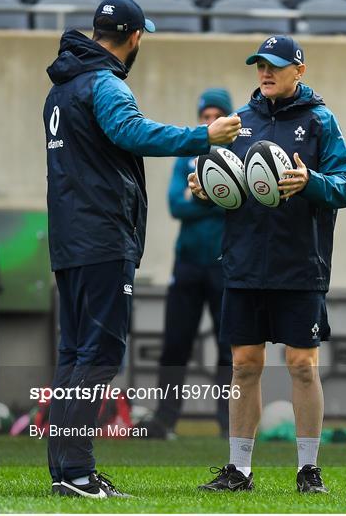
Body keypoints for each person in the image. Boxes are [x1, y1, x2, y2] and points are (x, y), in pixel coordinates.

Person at [43, 0, 241, 499]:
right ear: (134, 37)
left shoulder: (62, 90)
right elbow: (131, 132)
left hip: (69, 241)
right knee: (101, 352)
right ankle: (80, 472)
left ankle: (67, 470)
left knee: (74, 353)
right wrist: (205, 136)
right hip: (104, 238)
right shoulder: (104, 84)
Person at [189, 35, 346, 493]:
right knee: (244, 365)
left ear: (299, 71)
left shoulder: (321, 121)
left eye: (276, 66)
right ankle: (239, 470)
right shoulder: (238, 122)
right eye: (260, 65)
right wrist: (207, 188)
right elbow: (227, 187)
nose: (265, 73)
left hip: (300, 264)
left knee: (303, 364)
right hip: (244, 263)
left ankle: (308, 470)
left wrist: (311, 181)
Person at [141, 89, 234, 440]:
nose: (209, 122)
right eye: (204, 116)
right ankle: (166, 419)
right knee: (175, 344)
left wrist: (200, 194)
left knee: (229, 347)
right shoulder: (187, 156)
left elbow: (237, 202)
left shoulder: (235, 155)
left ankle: (228, 422)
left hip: (223, 266)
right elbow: (175, 206)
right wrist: (217, 194)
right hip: (187, 264)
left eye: (216, 116)